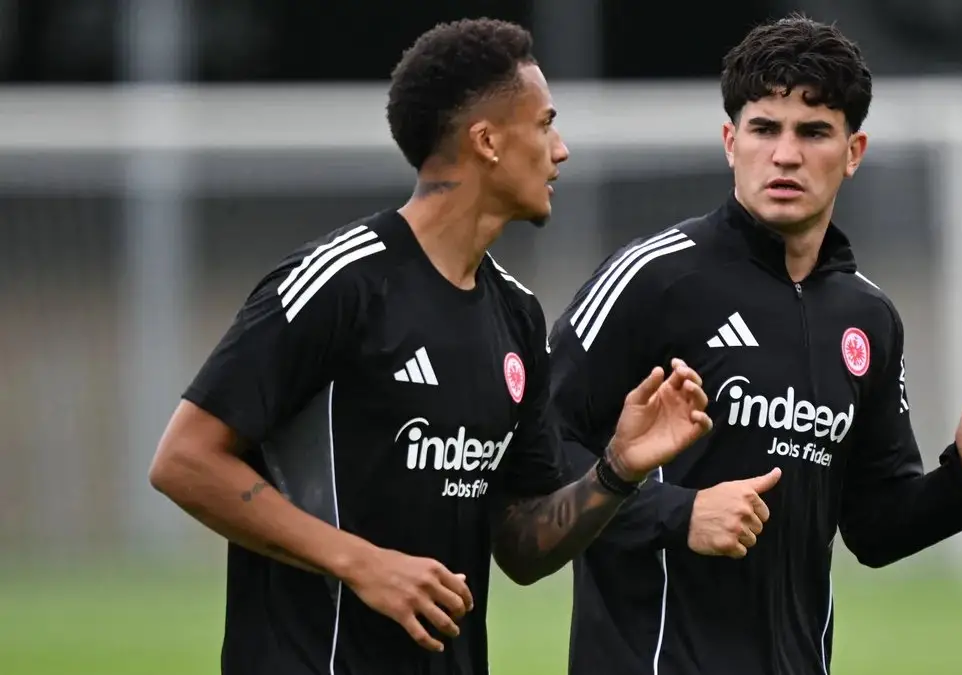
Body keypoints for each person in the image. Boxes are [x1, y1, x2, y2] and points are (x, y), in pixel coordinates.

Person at [147, 17, 712, 675]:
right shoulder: (340, 283)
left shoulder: (517, 315)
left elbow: (521, 547)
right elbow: (184, 460)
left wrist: (616, 469)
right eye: (544, 125)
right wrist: (362, 563)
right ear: (487, 141)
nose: (560, 150)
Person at [546, 13, 962, 675]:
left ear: (853, 152)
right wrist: (679, 512)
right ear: (730, 141)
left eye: (814, 131)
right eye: (765, 128)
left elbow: (877, 527)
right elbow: (539, 445)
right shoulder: (654, 279)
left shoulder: (868, 319)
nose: (786, 154)